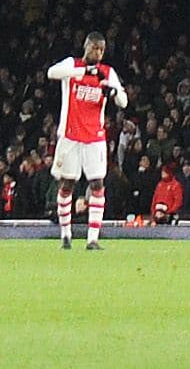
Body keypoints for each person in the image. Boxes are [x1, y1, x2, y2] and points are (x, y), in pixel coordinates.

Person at [44, 33, 123, 250]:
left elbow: (123, 101)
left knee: (97, 183)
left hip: (95, 137)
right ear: (86, 47)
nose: (97, 53)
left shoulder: (107, 72)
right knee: (67, 183)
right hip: (70, 136)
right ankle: (66, 235)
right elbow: (52, 72)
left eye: (101, 50)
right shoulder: (73, 65)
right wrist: (85, 71)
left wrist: (113, 92)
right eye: (94, 48)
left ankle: (92, 239)